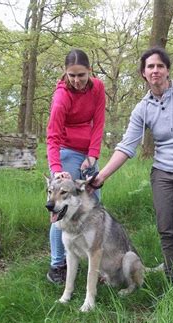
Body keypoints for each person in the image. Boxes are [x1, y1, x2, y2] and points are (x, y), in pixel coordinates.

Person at [90, 47, 173, 284]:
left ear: (167, 70)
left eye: (159, 66)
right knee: (166, 231)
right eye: (150, 67)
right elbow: (126, 146)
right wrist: (101, 177)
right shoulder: (143, 108)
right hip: (162, 173)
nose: (155, 71)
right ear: (143, 73)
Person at [46, 49, 106, 284]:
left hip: (88, 152)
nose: (77, 80)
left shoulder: (98, 88)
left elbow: (99, 123)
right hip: (65, 152)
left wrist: (92, 157)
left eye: (81, 75)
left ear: (89, 71)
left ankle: (95, 258)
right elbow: (52, 136)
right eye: (71, 75)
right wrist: (57, 167)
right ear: (65, 73)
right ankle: (57, 265)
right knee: (61, 210)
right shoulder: (61, 97)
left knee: (93, 205)